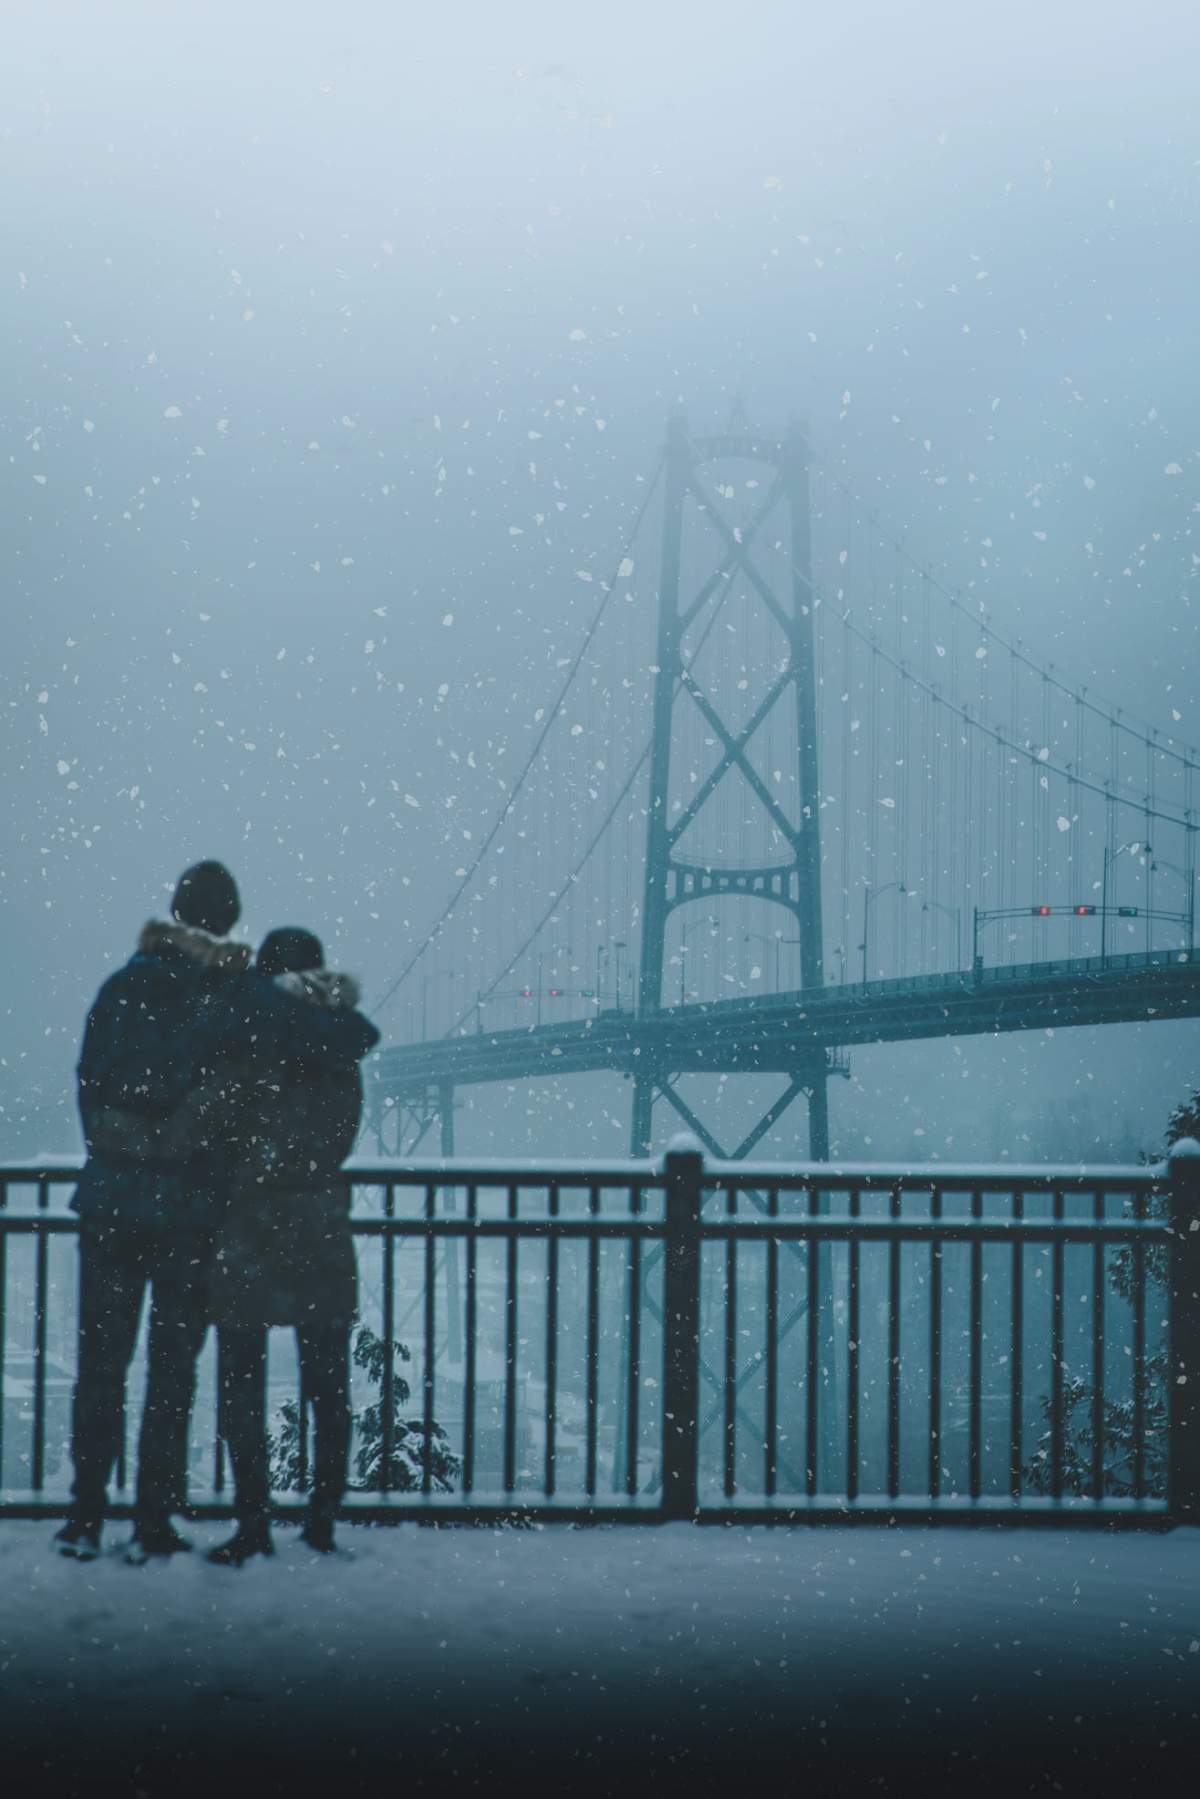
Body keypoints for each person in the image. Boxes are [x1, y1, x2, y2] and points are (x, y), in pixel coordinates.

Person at [58, 863, 377, 1564]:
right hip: (191, 1214)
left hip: (111, 1203)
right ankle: (154, 1519)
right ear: (230, 919)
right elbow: (349, 1037)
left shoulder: (119, 988)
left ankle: (84, 1516)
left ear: (175, 910)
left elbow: (90, 1085)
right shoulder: (233, 994)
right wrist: (330, 1001)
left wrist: (119, 1149)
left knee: (101, 1365)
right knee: (171, 1373)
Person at [206, 928, 373, 1565]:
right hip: (320, 1224)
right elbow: (341, 1132)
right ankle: (322, 1524)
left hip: (247, 1224)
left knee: (240, 1381)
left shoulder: (247, 1035)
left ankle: (252, 1523)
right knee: (327, 1386)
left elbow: (220, 1125)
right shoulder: (341, 1042)